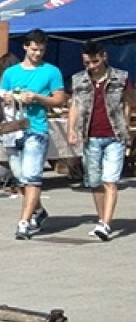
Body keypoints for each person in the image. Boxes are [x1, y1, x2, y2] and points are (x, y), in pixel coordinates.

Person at [0, 29, 67, 240]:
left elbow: (59, 99)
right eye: (35, 49)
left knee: (32, 176)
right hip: (13, 129)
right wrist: (8, 98)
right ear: (26, 47)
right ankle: (38, 210)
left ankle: (24, 222)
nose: (38, 54)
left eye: (41, 50)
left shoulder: (51, 71)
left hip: (37, 129)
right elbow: (1, 96)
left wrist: (37, 98)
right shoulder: (11, 73)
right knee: (20, 177)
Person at [65, 40, 133, 241]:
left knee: (109, 180)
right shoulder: (79, 80)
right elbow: (74, 105)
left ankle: (105, 223)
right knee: (94, 182)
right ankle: (102, 219)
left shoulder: (121, 78)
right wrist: (71, 129)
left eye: (94, 61)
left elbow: (128, 102)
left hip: (114, 135)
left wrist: (126, 126)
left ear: (104, 57)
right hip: (90, 136)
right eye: (87, 63)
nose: (91, 66)